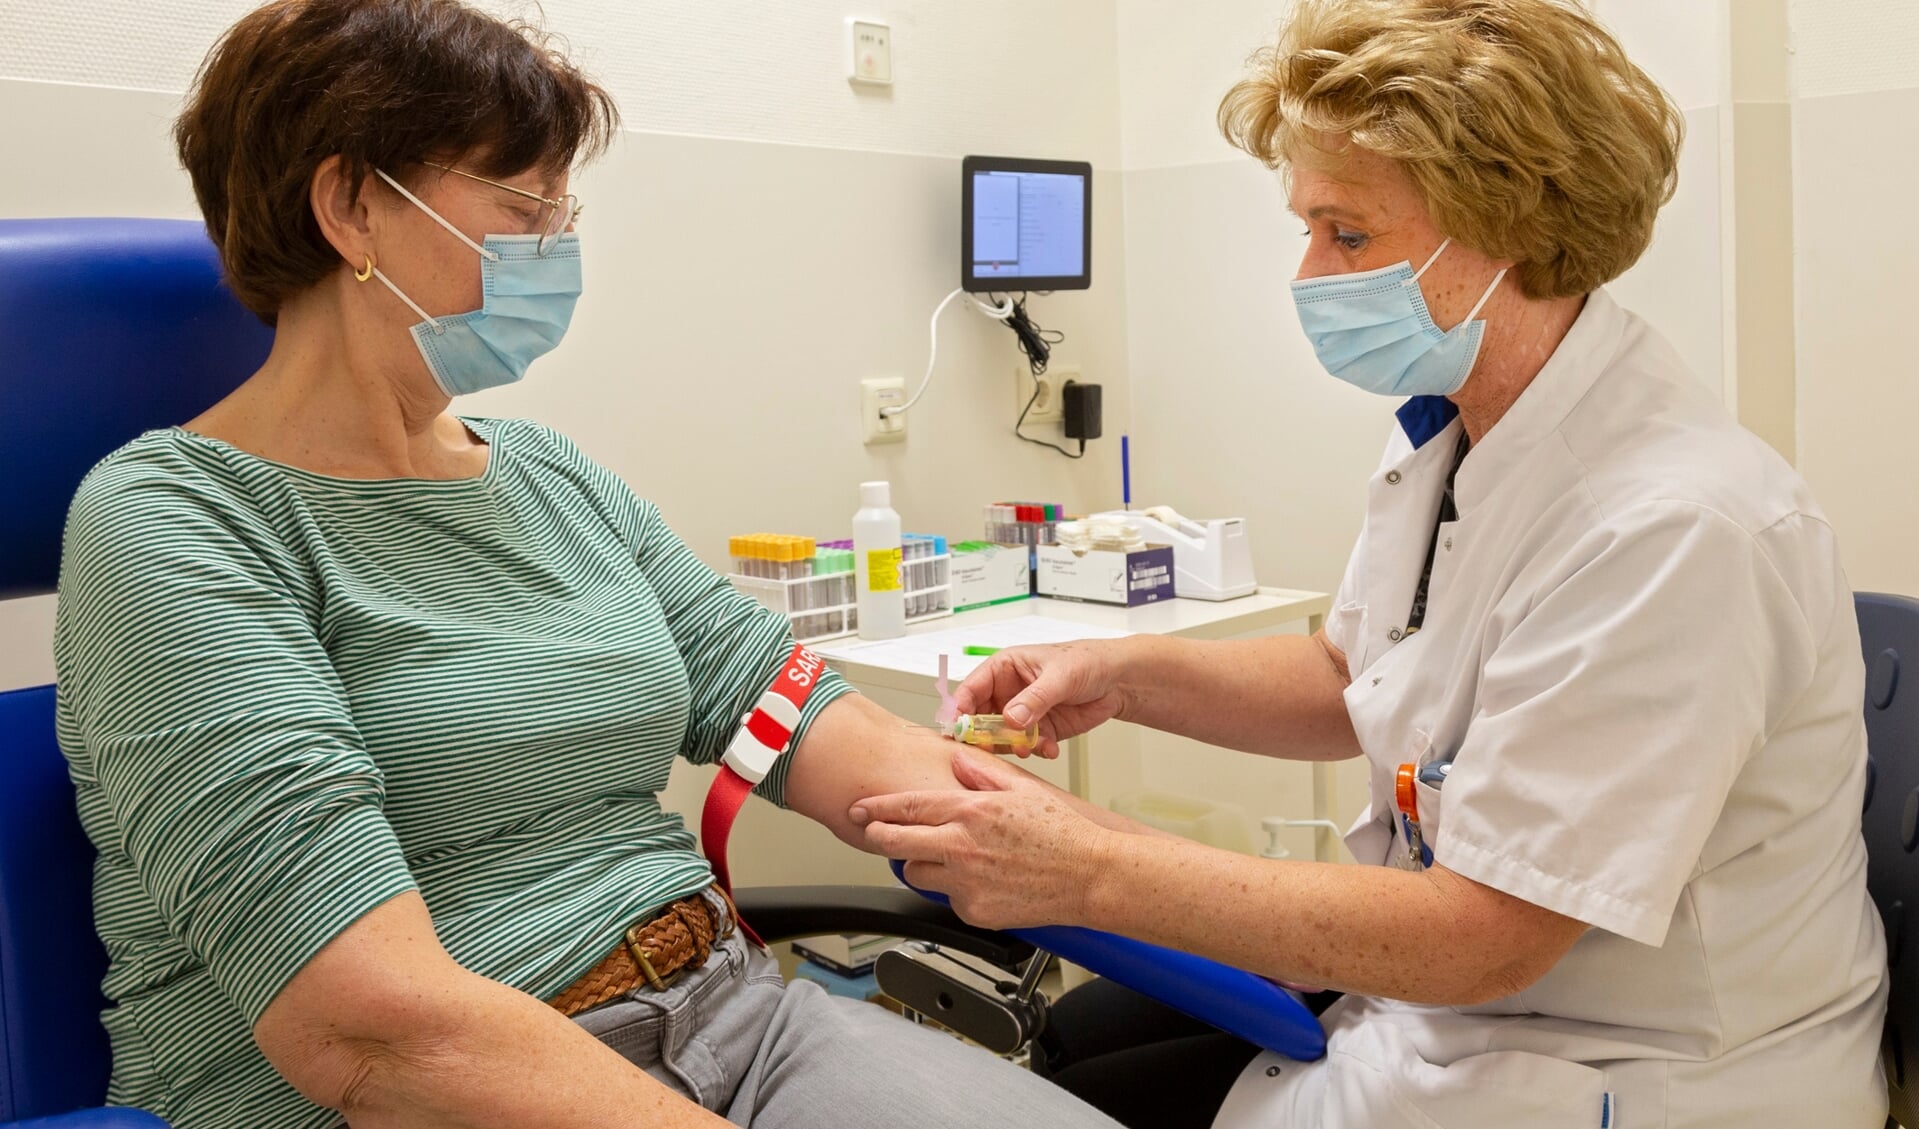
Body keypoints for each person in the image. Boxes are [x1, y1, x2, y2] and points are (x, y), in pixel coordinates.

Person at [51, 2, 1129, 1127]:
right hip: (444, 1093)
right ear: (351, 206)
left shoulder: (543, 473)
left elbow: (787, 708)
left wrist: (1146, 876)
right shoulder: (175, 522)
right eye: (523, 208)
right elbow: (368, 1024)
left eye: (562, 210)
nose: (556, 247)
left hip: (732, 1017)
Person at [850, 1, 1889, 1125]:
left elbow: (1483, 939)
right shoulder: (1455, 434)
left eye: (1345, 236)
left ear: (1519, 230)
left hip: (1633, 1063)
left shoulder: (1673, 528)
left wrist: (1090, 868)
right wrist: (1122, 672)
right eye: (1306, 229)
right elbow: (1352, 674)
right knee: (1065, 1057)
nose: (1307, 275)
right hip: (1438, 1010)